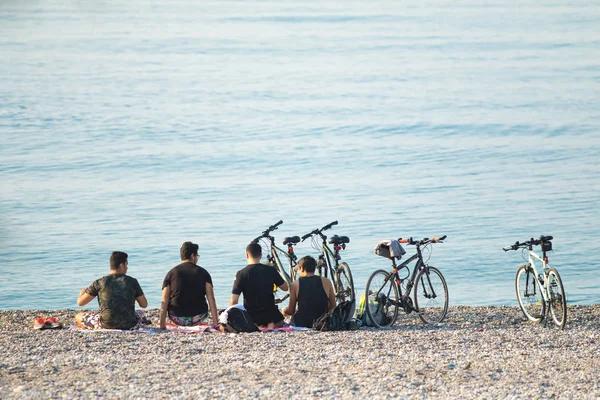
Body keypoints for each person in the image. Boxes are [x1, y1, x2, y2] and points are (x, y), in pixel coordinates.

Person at [76, 251, 148, 330]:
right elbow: (143, 304)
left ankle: (86, 326)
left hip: (106, 324)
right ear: (121, 265)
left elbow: (80, 303)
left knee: (78, 316)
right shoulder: (132, 281)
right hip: (130, 324)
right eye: (126, 264)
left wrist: (81, 294)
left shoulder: (99, 282)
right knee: (140, 313)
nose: (127, 268)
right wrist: (134, 296)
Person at [159, 241, 218, 329]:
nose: (197, 259)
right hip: (198, 318)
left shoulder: (171, 273)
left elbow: (165, 299)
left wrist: (162, 324)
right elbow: (211, 298)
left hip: (177, 318)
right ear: (192, 255)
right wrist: (215, 323)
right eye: (197, 256)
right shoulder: (203, 273)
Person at [230, 242, 289, 328]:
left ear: (247, 255)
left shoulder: (241, 274)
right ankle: (270, 325)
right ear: (260, 255)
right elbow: (285, 288)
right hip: (270, 315)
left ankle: (259, 326)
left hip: (251, 316)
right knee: (280, 322)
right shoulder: (271, 270)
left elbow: (234, 301)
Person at [283, 255, 336, 327]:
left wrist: (284, 310)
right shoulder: (326, 281)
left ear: (301, 269)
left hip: (302, 323)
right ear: (314, 268)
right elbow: (333, 307)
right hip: (322, 322)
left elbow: (291, 311)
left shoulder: (295, 284)